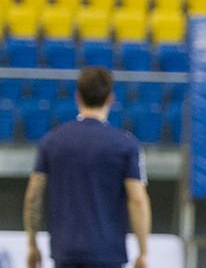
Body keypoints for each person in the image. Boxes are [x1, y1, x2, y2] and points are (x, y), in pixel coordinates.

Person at [23, 66, 151, 268]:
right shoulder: (126, 145)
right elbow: (137, 199)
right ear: (110, 98)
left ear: (77, 97)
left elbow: (33, 195)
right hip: (107, 253)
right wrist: (143, 251)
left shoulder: (51, 141)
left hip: (65, 251)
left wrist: (32, 244)